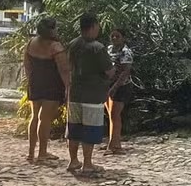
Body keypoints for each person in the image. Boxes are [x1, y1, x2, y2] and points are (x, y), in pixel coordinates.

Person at [66, 13, 114, 175]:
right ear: (93, 26)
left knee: (74, 128)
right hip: (93, 95)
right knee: (90, 129)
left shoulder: (73, 44)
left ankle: (73, 160)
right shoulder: (97, 48)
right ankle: (87, 163)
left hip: (75, 93)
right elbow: (108, 71)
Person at [23, 17, 70, 163]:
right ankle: (42, 152)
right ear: (52, 29)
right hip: (52, 85)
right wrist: (68, 87)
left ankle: (31, 152)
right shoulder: (55, 47)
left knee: (34, 117)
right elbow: (64, 70)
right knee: (45, 119)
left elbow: (27, 64)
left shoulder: (31, 43)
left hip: (35, 83)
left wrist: (31, 79)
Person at [105, 28, 134, 154]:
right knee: (111, 115)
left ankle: (114, 145)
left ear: (123, 38)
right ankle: (113, 142)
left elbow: (125, 72)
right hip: (108, 85)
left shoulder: (126, 52)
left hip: (121, 87)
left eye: (118, 36)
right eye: (113, 36)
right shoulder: (109, 49)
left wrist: (114, 88)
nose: (115, 38)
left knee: (115, 115)